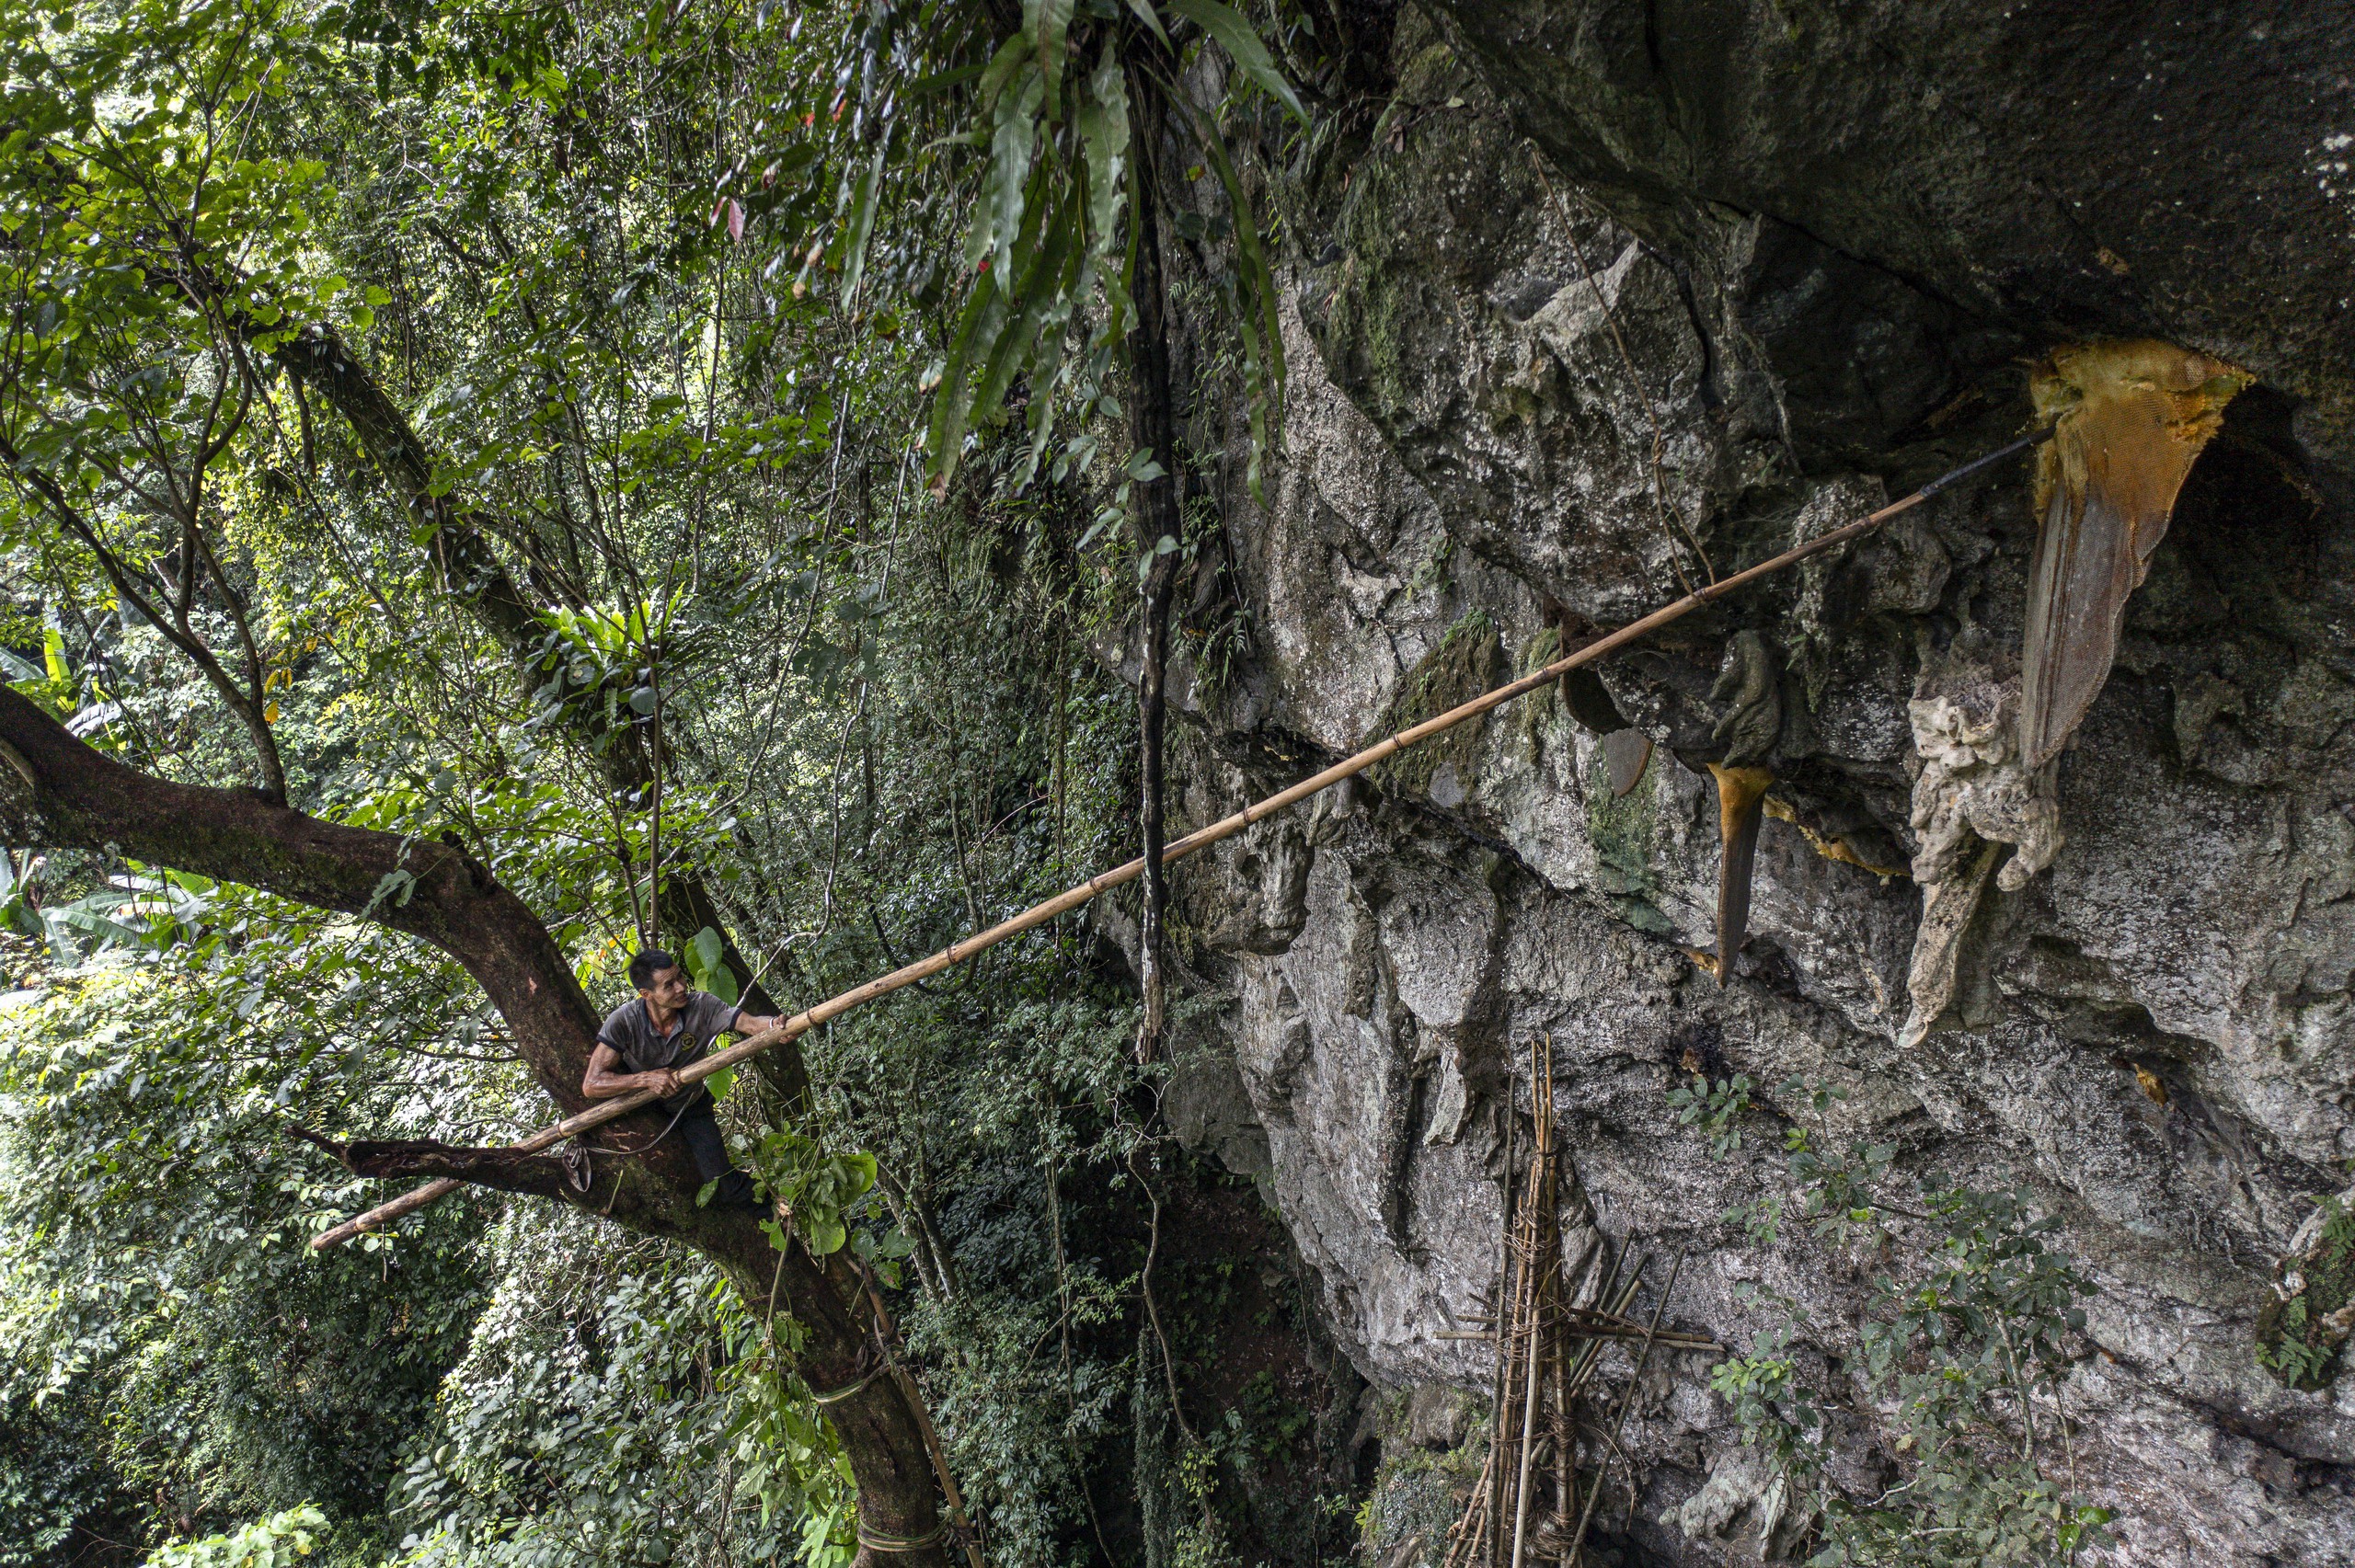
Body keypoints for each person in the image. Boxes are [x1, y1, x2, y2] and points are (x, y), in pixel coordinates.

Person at [582, 948, 779, 1212]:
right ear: (646, 994)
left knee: (724, 1186)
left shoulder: (702, 1006)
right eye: (669, 985)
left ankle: (779, 1206)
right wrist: (645, 1079)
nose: (680, 987)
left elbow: (752, 1025)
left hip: (692, 1107)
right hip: (646, 1113)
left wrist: (776, 1026)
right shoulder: (624, 1022)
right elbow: (592, 1084)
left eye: (680, 978)